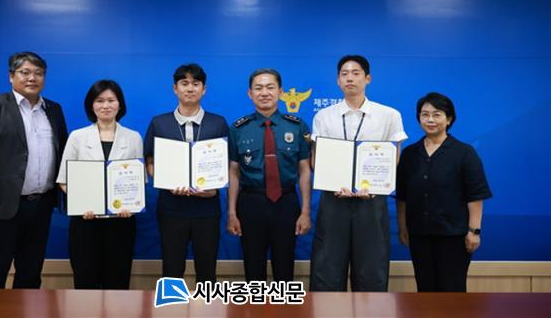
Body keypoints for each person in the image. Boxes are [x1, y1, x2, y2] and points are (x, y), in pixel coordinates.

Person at [0, 51, 68, 288]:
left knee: (30, 274)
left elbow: (62, 152)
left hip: (42, 204)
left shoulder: (53, 109)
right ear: (11, 76)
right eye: (25, 72)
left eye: (39, 73)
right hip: (1, 204)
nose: (32, 78)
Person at [310, 55, 407, 292]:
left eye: (356, 73)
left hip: (371, 201)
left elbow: (393, 157)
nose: (350, 78)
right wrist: (332, 181)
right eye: (344, 74)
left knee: (371, 270)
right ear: (338, 80)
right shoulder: (324, 116)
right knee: (327, 270)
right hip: (333, 200)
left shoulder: (389, 115)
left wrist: (375, 185)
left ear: (368, 78)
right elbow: (317, 158)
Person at [396, 92, 492, 292]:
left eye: (437, 114)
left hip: (454, 236)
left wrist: (474, 231)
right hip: (419, 235)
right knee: (425, 289)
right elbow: (402, 196)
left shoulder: (464, 153)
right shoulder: (410, 154)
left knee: (452, 290)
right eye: (425, 114)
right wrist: (403, 227)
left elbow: (475, 196)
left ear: (449, 119)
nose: (430, 120)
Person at [144, 64, 228, 283]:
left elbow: (226, 164)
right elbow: (149, 161)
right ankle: (172, 304)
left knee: (207, 270)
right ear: (175, 88)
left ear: (204, 89)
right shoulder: (159, 123)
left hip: (207, 209)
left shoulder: (218, 123)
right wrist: (164, 181)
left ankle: (208, 304)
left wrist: (213, 189)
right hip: (171, 208)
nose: (190, 88)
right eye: (184, 83)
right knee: (172, 270)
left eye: (195, 83)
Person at [56, 80, 142, 289]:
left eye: (111, 100)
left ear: (120, 105)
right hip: (85, 221)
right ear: (91, 105)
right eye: (100, 100)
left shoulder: (133, 137)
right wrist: (81, 203)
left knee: (118, 283)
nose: (106, 106)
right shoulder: (77, 137)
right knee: (85, 282)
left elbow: (138, 182)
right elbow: (64, 180)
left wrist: (130, 206)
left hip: (121, 222)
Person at [227, 68, 312, 282]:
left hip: (286, 202)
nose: (264, 93)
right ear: (250, 93)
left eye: (270, 87)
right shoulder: (238, 128)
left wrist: (305, 211)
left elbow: (304, 170)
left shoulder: (297, 126)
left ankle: (284, 304)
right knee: (253, 269)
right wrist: (232, 213)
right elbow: (233, 172)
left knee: (284, 269)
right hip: (250, 203)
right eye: (258, 88)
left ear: (280, 92)